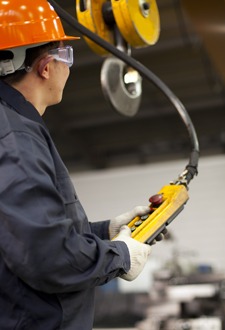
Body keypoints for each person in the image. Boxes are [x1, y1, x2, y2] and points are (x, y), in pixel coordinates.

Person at [0, 1, 156, 329]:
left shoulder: (15, 127)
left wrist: (105, 231)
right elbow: (48, 258)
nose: (67, 68)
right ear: (45, 66)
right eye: (65, 55)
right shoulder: (16, 138)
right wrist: (120, 256)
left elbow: (22, 234)